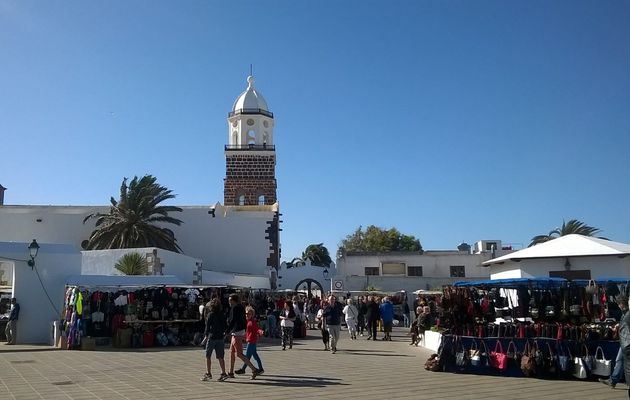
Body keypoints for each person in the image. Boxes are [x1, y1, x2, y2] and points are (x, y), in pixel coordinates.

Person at [226, 294, 260, 379]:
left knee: (239, 354)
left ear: (234, 300)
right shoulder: (240, 307)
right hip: (238, 331)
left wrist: (227, 331)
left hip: (237, 332)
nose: (229, 302)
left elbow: (233, 320)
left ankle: (254, 369)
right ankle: (230, 372)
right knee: (231, 352)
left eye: (230, 300)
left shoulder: (235, 307)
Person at [601, 294, 630, 392]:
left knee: (621, 361)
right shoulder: (625, 313)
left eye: (618, 304)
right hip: (625, 343)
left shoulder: (627, 313)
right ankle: (613, 380)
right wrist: (618, 326)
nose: (618, 305)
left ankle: (613, 380)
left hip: (627, 343)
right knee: (619, 360)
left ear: (621, 304)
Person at [201, 298, 228, 382]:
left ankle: (208, 373)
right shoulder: (222, 315)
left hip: (212, 337)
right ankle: (223, 373)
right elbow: (225, 326)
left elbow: (207, 327)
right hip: (220, 338)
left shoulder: (210, 315)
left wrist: (205, 338)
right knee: (220, 357)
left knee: (208, 356)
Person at [235, 306, 264, 377]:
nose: (247, 315)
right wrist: (243, 336)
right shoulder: (248, 322)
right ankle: (260, 369)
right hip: (252, 341)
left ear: (252, 315)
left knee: (246, 357)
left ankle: (243, 369)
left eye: (249, 314)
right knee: (255, 356)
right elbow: (248, 332)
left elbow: (257, 329)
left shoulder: (252, 322)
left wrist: (261, 332)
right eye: (246, 313)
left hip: (251, 342)